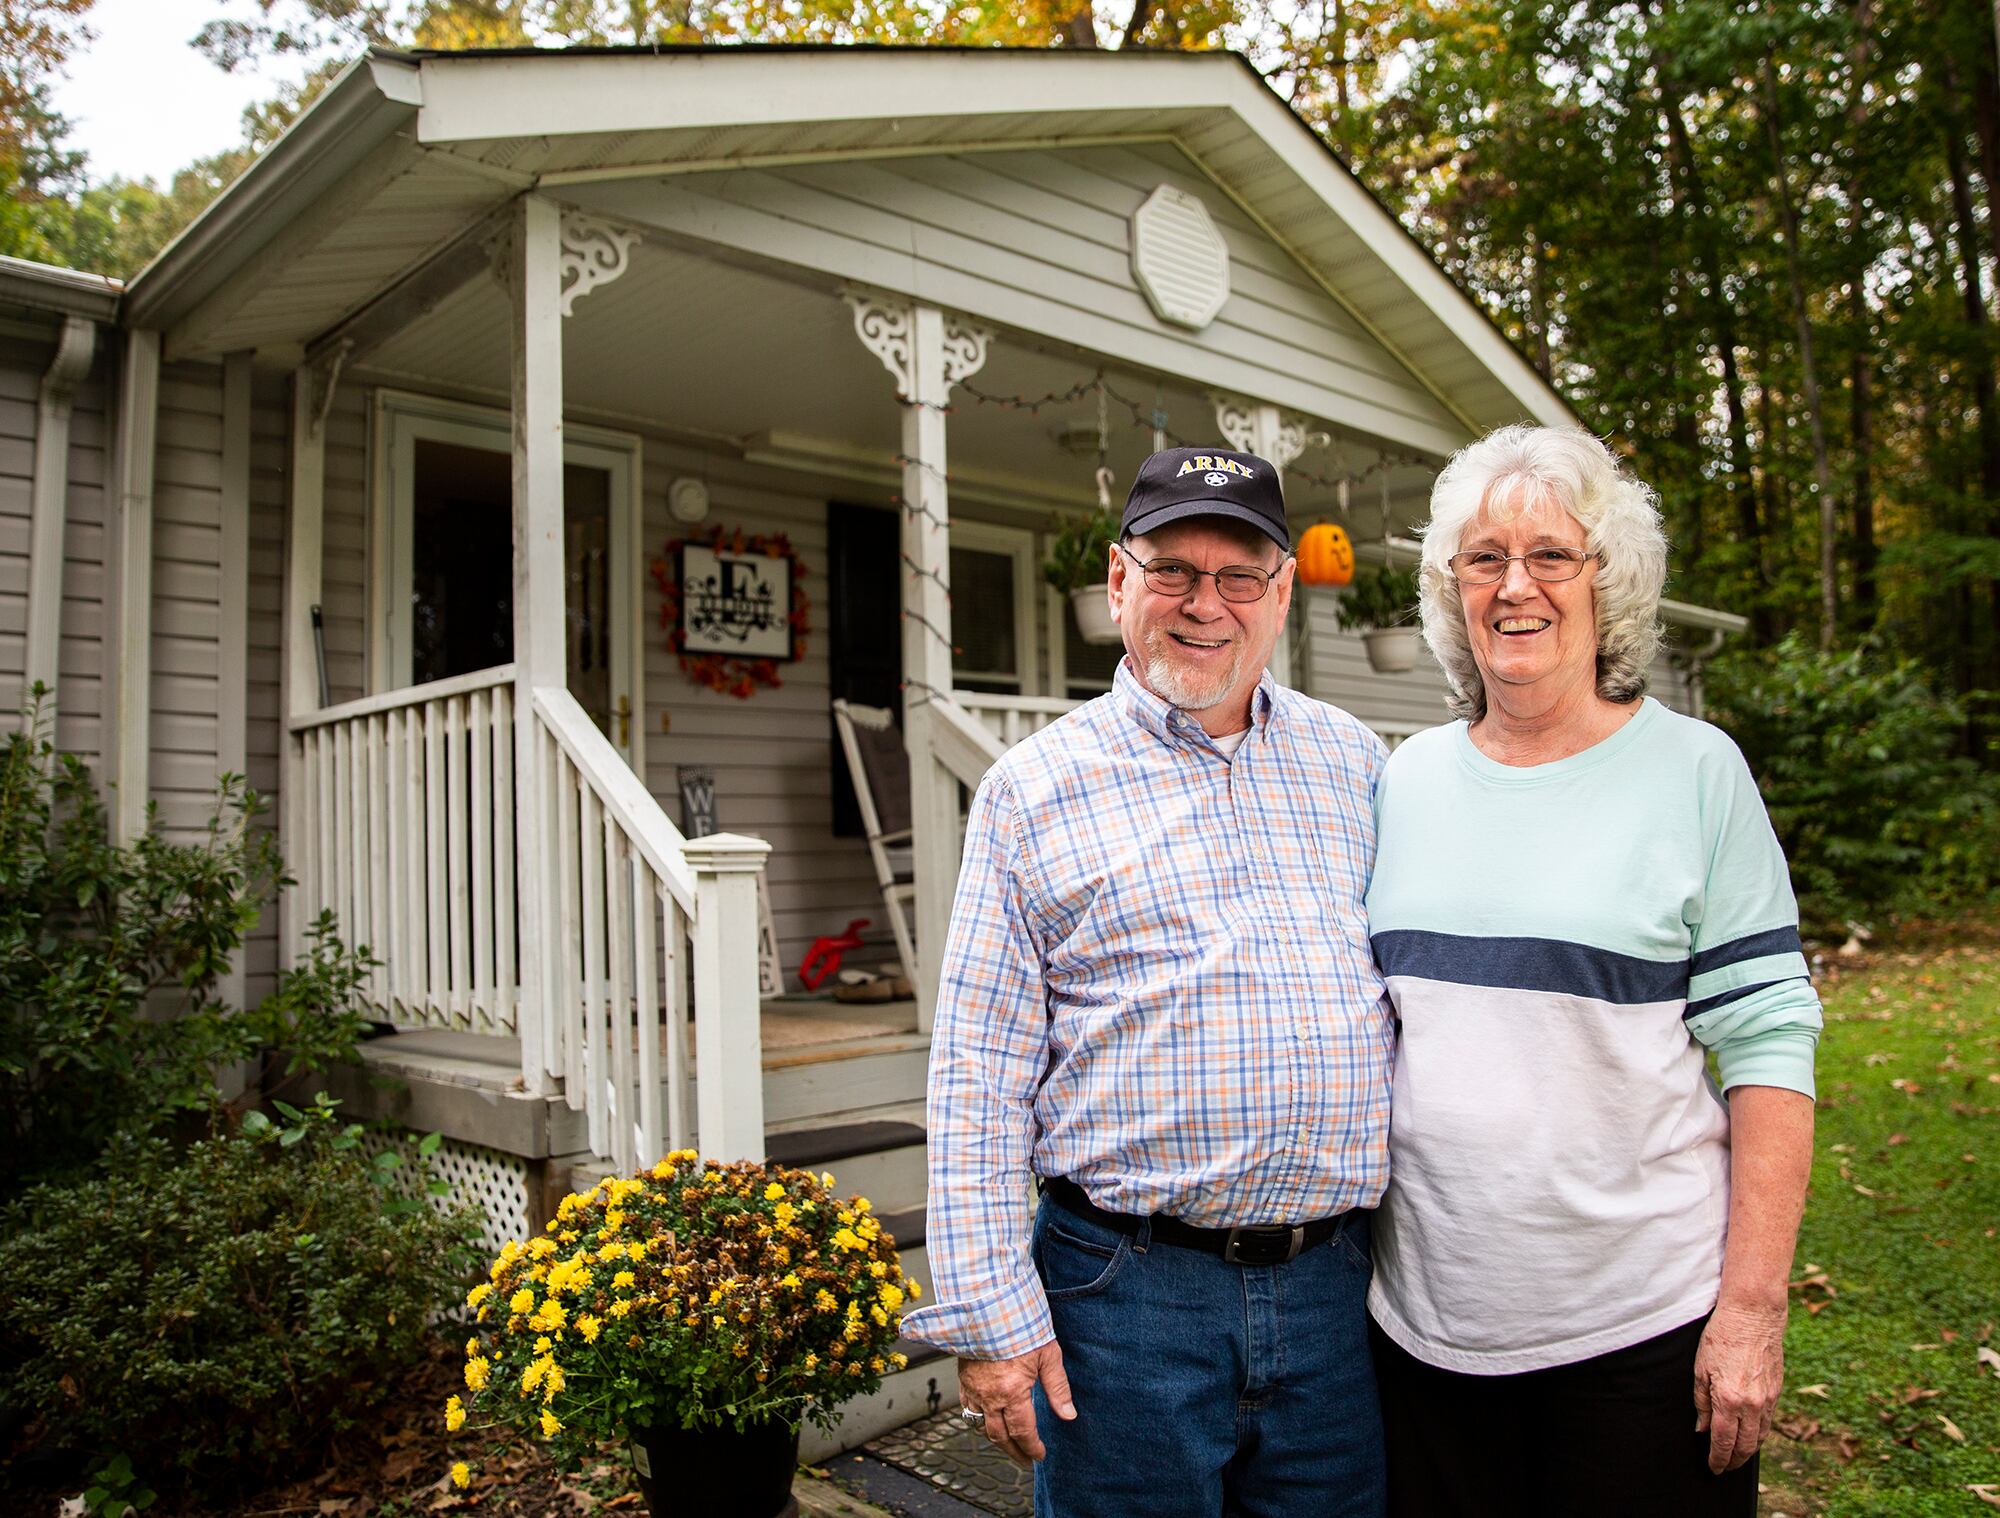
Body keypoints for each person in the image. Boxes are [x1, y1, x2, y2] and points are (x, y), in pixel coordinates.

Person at [900, 446, 1395, 1518]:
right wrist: (991, 1320)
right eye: (1172, 569)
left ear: (1280, 594)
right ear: (1119, 581)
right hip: (1121, 1298)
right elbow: (978, 1074)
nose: (1202, 604)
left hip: (1335, 1294)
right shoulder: (1031, 789)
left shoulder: (1357, 767)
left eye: (1237, 576)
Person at [1363, 424, 1821, 1517]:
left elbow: (1765, 1045)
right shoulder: (1401, 781)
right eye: (1483, 559)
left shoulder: (1694, 773)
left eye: (1548, 555)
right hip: (1420, 1340)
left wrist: (1750, 1310)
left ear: (1603, 581)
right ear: (1450, 590)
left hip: (1637, 1338)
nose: (1513, 586)